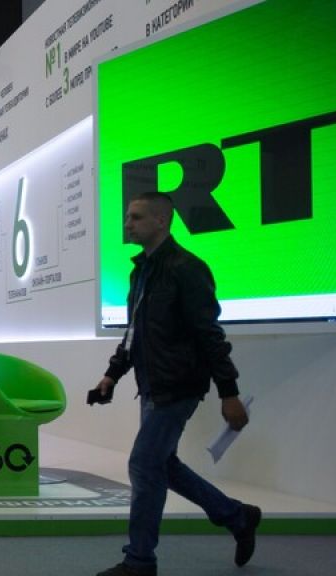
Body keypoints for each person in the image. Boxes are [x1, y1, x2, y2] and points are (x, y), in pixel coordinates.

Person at [93, 193, 261, 576]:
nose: (127, 224)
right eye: (127, 217)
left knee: (143, 464)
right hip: (152, 386)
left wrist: (229, 392)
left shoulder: (188, 269)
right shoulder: (140, 272)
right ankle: (238, 517)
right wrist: (112, 374)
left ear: (161, 221)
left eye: (136, 217)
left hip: (179, 386)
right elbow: (134, 332)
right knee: (162, 465)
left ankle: (139, 561)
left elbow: (210, 335)